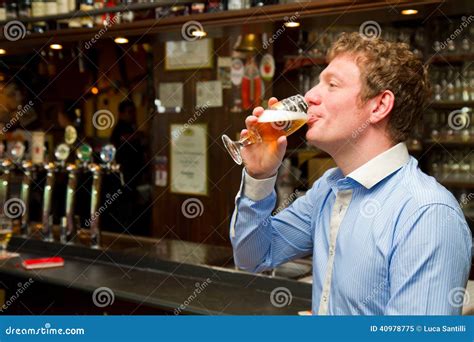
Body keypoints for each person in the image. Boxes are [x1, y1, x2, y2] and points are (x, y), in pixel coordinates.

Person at [230, 32, 472, 315]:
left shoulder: (428, 213)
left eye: (332, 84)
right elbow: (253, 256)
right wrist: (260, 176)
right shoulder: (329, 188)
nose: (309, 96)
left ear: (379, 106)